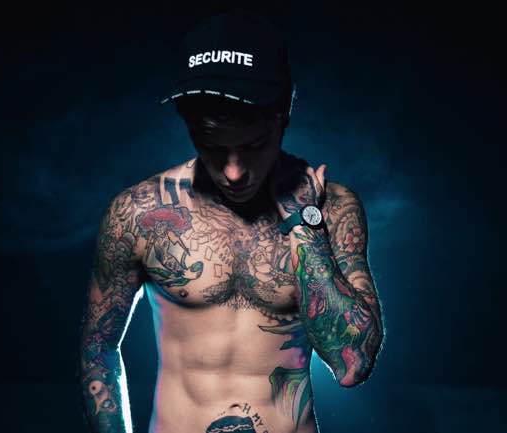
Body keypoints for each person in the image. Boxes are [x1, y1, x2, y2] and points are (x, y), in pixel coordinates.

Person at [79, 10, 384, 433]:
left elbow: (354, 363)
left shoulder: (330, 210)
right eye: (213, 147)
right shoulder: (139, 214)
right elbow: (98, 349)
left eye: (254, 146)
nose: (234, 172)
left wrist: (305, 226)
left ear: (283, 114)